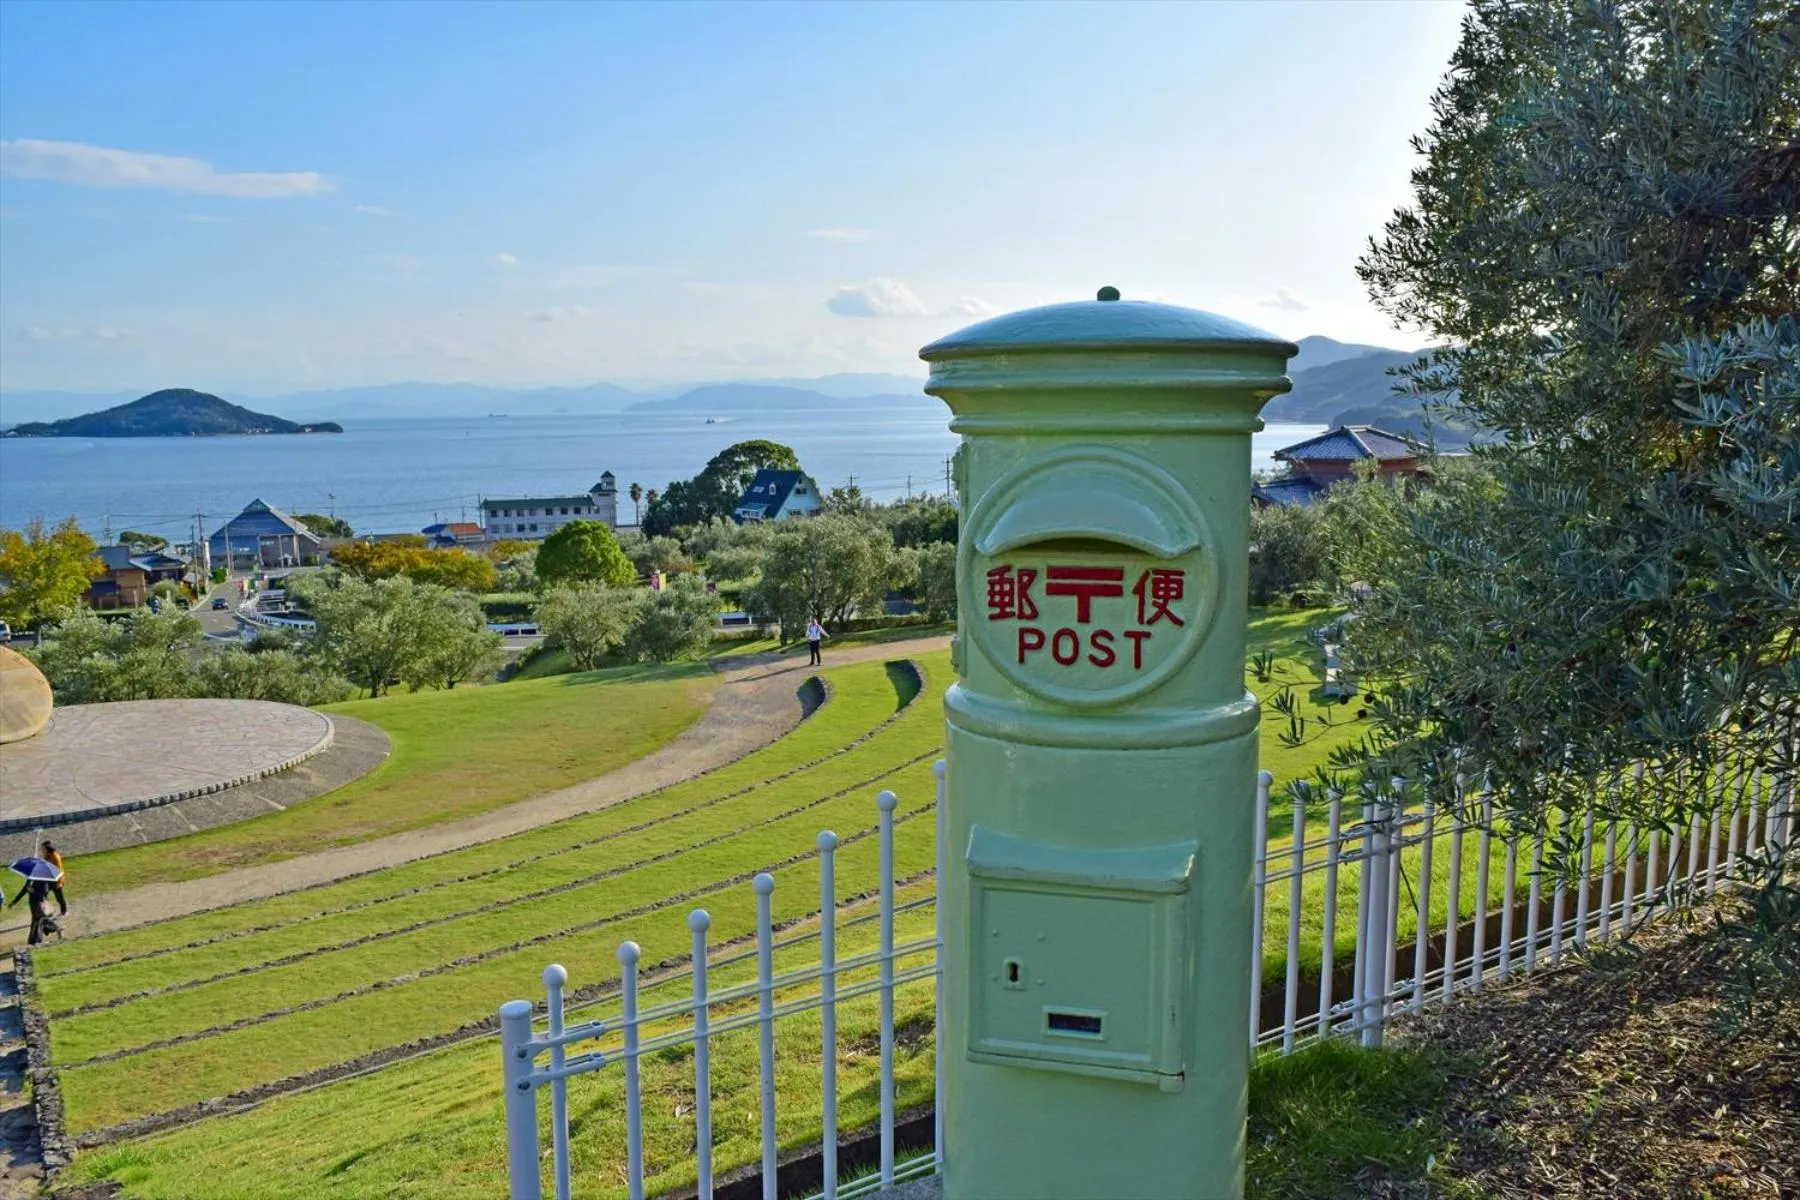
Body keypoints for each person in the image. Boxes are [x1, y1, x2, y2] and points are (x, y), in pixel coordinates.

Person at [7, 877, 53, 945]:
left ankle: (36, 942)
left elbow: (44, 894)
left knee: (37, 923)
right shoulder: (30, 878)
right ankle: (34, 941)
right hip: (33, 905)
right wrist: (14, 902)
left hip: (40, 905)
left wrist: (33, 892)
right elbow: (24, 890)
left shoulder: (43, 879)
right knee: (36, 923)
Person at [41, 840, 67, 915]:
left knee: (59, 897)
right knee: (43, 894)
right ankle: (48, 910)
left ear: (47, 849)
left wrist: (59, 881)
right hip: (49, 879)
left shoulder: (55, 857)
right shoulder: (47, 856)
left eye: (43, 849)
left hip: (56, 880)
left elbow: (58, 870)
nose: (42, 850)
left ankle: (64, 911)